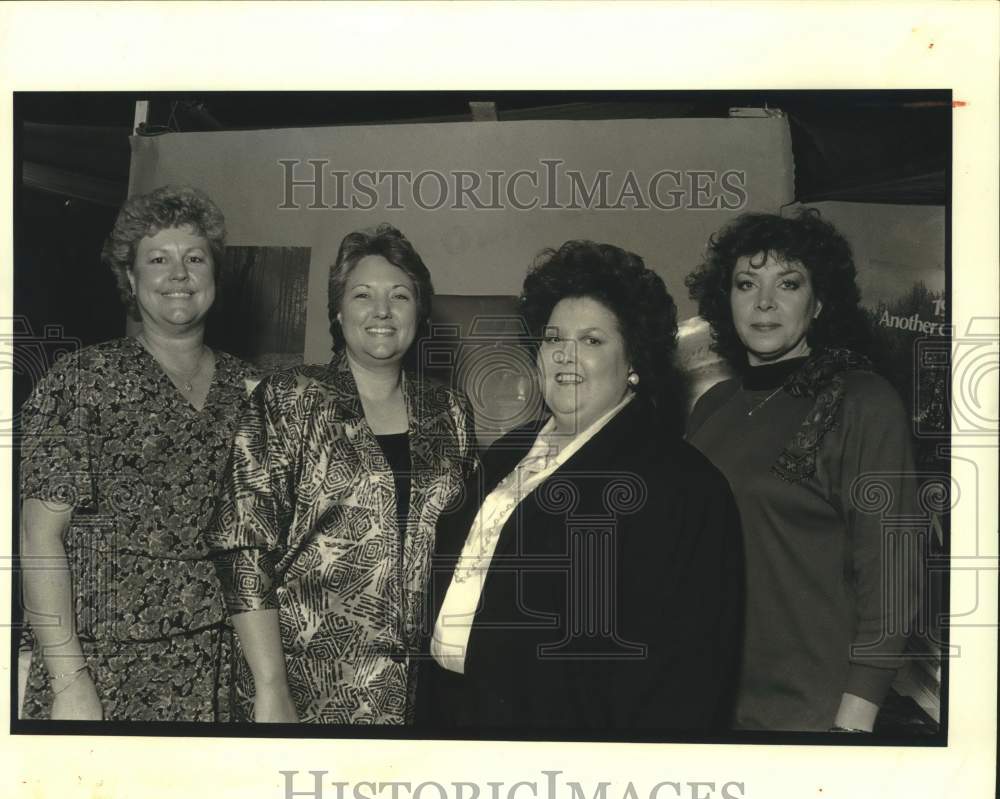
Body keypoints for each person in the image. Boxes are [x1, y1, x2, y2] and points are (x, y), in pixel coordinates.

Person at [418, 240, 743, 732]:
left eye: (592, 341)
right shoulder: (506, 451)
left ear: (633, 359)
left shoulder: (684, 486)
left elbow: (687, 677)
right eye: (554, 338)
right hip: (458, 725)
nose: (566, 357)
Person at [207, 224, 478, 724]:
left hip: (419, 695)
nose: (382, 310)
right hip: (301, 687)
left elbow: (470, 550)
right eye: (362, 295)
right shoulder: (289, 399)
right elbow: (242, 548)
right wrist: (270, 688)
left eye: (399, 295)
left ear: (419, 311)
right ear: (338, 311)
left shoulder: (451, 412)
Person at [19, 185, 257, 721]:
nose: (179, 273)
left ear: (214, 275)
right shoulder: (81, 383)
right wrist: (68, 680)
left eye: (194, 258)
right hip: (103, 671)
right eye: (158, 259)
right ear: (130, 278)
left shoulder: (251, 389)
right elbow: (39, 538)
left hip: (219, 668)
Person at [685, 210, 921, 733]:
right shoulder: (713, 405)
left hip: (813, 711)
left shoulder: (863, 400)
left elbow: (893, 570)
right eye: (746, 283)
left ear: (818, 302)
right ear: (726, 300)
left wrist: (856, 716)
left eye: (787, 284)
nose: (764, 301)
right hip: (711, 698)